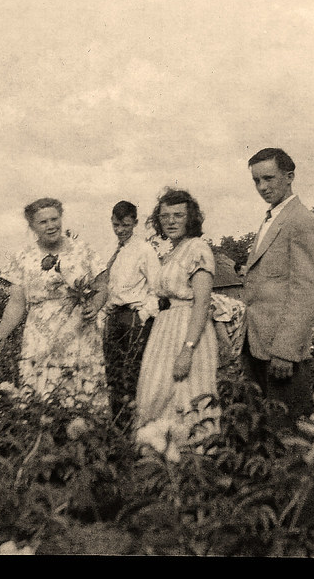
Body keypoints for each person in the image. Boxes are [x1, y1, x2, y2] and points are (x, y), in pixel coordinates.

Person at [0, 197, 110, 414]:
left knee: (81, 397)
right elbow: (16, 303)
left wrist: (95, 305)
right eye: (43, 222)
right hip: (39, 337)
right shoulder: (22, 257)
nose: (51, 226)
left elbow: (102, 285)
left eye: (54, 219)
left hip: (78, 333)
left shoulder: (83, 250)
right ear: (32, 226)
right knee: (42, 400)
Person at [241, 148, 314, 431]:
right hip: (257, 344)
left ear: (289, 177)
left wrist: (286, 351)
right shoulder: (272, 218)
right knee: (263, 428)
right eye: (256, 181)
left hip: (281, 351)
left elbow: (307, 290)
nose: (263, 187)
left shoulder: (300, 220)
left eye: (269, 178)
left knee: (290, 432)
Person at [134, 188, 220, 448]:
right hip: (165, 330)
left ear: (190, 218)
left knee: (187, 396)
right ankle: (159, 460)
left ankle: (192, 464)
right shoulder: (174, 250)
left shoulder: (198, 249)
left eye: (178, 215)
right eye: (165, 216)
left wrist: (188, 349)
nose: (170, 221)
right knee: (155, 396)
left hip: (188, 331)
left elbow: (202, 303)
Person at [97, 201, 161, 423]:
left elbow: (157, 288)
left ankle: (138, 423)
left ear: (135, 222)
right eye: (116, 225)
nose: (120, 230)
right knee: (112, 372)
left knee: (133, 372)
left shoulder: (144, 250)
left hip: (134, 317)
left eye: (125, 225)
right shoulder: (111, 249)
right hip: (113, 317)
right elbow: (107, 286)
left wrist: (142, 315)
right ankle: (118, 425)